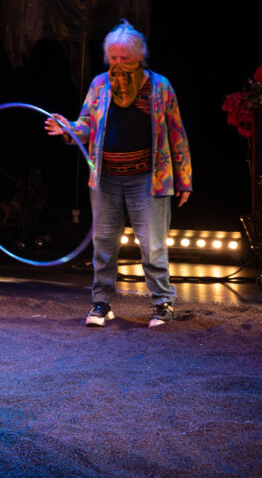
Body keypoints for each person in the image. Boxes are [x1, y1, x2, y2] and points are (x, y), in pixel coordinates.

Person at [44, 21, 191, 328]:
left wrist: (184, 178)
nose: (118, 64)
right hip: (106, 177)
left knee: (152, 245)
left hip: (148, 177)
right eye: (113, 58)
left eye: (125, 58)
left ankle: (162, 302)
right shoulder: (100, 84)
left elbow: (176, 132)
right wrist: (68, 129)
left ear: (139, 57)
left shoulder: (160, 86)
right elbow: (87, 124)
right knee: (104, 244)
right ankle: (101, 302)